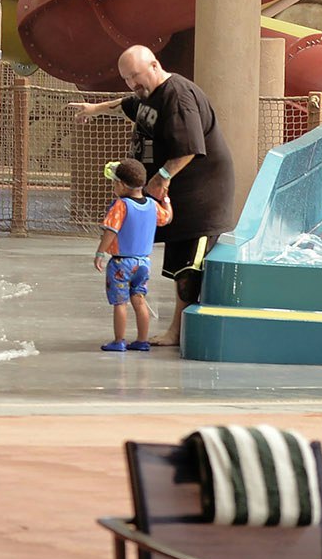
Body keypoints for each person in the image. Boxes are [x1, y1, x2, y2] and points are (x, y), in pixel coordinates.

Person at [69, 44, 236, 346]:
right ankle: (176, 329)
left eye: (136, 75)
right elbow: (129, 103)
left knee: (189, 267)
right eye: (127, 78)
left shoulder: (178, 97)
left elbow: (190, 147)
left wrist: (162, 177)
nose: (133, 83)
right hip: (177, 200)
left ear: (155, 65)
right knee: (175, 265)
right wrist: (95, 109)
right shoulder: (150, 95)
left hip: (201, 199)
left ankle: (178, 331)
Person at [94, 159, 170, 355]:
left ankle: (119, 341)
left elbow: (111, 230)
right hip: (144, 262)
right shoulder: (152, 205)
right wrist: (166, 201)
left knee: (120, 302)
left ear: (120, 184)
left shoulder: (121, 205)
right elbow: (167, 218)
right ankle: (142, 340)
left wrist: (100, 252)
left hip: (121, 263)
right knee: (139, 299)